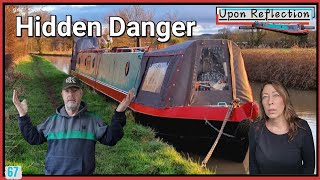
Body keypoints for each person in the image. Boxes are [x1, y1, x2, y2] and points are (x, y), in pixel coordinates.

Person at [12, 76, 134, 175]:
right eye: (67, 91)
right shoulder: (52, 121)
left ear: (81, 94)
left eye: (75, 91)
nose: (71, 94)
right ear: (62, 95)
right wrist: (22, 115)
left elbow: (111, 138)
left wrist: (119, 113)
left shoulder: (93, 121)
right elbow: (33, 138)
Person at [249, 80, 315, 174]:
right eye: (265, 97)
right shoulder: (255, 128)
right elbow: (253, 166)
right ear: (262, 103)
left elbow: (309, 166)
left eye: (275, 95)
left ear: (285, 99)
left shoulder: (302, 127)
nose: (270, 102)